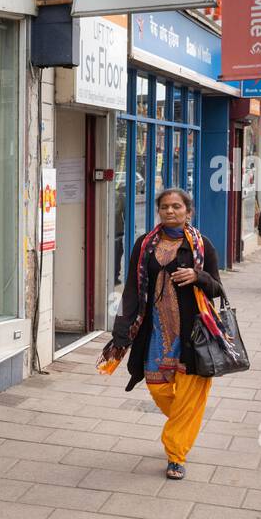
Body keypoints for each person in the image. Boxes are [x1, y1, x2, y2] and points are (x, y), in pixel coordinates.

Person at [100, 187, 225, 480]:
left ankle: (176, 455)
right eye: (165, 207)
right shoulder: (144, 245)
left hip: (194, 336)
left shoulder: (202, 246)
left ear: (188, 212)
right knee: (159, 390)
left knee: (189, 396)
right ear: (159, 211)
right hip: (154, 333)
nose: (171, 211)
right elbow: (131, 289)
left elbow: (218, 288)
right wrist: (121, 333)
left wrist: (199, 276)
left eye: (177, 207)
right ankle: (184, 423)